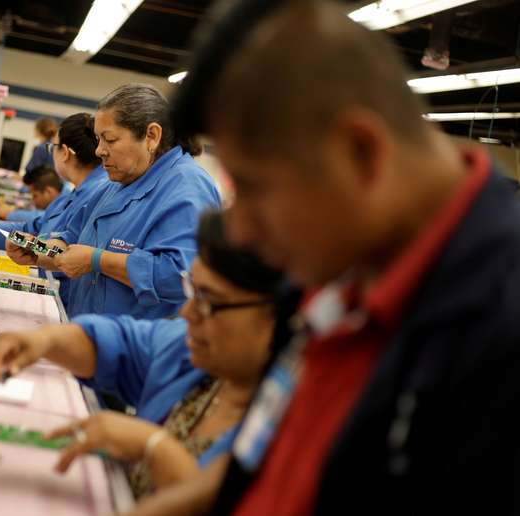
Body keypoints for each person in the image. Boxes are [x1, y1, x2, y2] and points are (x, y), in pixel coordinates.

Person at [135, 1, 520, 515]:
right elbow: (268, 452)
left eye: (255, 188)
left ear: (362, 153)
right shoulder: (330, 269)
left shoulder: (497, 339)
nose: (240, 230)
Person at [0, 211, 285, 499]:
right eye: (193, 291)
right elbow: (121, 343)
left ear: (279, 315)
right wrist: (45, 340)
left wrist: (154, 447)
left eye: (209, 300)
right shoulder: (196, 356)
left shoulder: (286, 433)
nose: (187, 312)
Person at [7, 84, 221, 319]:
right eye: (98, 139)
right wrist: (37, 250)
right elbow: (70, 241)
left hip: (136, 341)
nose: (99, 150)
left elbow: (181, 276)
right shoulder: (114, 184)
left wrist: (98, 260)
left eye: (109, 139)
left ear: (151, 136)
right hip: (84, 330)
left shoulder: (187, 189)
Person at [0, 113, 111, 305]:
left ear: (65, 152)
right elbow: (31, 230)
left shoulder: (96, 197)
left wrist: (32, 248)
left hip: (64, 303)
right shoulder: (73, 195)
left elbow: (63, 251)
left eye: (53, 147)